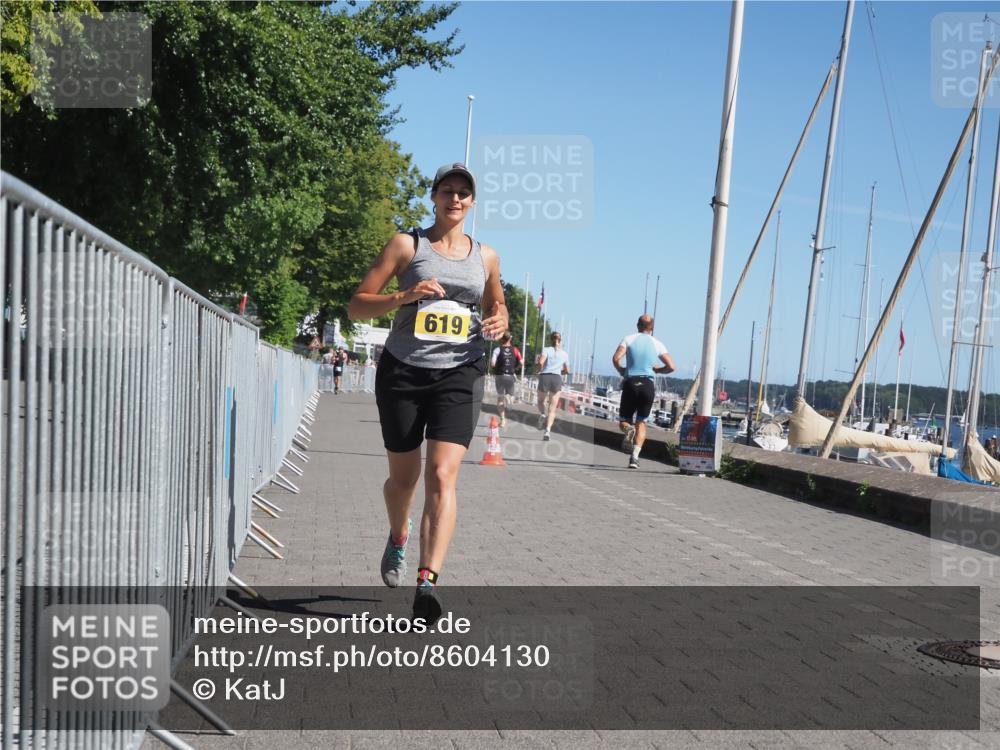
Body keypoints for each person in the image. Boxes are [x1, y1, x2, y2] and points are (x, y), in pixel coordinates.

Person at [348, 162, 507, 623]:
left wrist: (501, 321)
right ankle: (399, 535)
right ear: (433, 196)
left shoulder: (487, 257)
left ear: (472, 202)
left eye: (463, 193)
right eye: (447, 191)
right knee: (404, 480)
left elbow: (496, 303)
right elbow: (358, 304)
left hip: (461, 372)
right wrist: (404, 296)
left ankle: (427, 583)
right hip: (404, 372)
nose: (455, 199)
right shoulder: (407, 245)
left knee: (442, 475)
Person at [612, 315, 675, 469]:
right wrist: (658, 370)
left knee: (624, 421)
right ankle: (634, 458)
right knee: (642, 422)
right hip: (648, 385)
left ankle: (628, 429)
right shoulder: (658, 344)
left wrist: (621, 370)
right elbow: (672, 367)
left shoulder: (628, 339)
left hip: (631, 383)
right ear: (652, 327)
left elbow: (616, 358)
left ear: (637, 325)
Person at [535, 331, 570, 441]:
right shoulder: (565, 354)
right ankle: (548, 431)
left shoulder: (546, 350)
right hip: (556, 378)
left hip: (545, 376)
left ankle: (542, 414)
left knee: (540, 401)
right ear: (560, 341)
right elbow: (568, 370)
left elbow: (541, 362)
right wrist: (561, 372)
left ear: (551, 340)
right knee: (552, 408)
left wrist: (538, 370)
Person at [491, 331, 522, 428]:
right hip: (510, 376)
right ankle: (509, 396)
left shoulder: (497, 349)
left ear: (502, 339)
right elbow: (522, 362)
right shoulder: (516, 350)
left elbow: (493, 364)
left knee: (500, 400)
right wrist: (515, 368)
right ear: (510, 338)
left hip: (500, 376)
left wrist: (496, 368)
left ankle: (503, 420)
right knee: (511, 397)